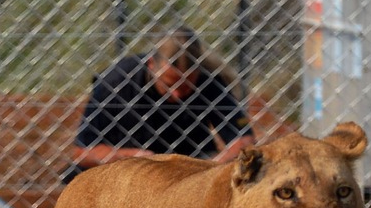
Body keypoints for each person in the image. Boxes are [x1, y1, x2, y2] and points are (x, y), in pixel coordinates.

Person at [68, 27, 256, 180]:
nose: (176, 95)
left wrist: (208, 169)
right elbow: (83, 152)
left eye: (186, 87)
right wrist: (133, 157)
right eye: (168, 84)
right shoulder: (116, 81)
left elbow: (244, 141)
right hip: (126, 174)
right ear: (151, 64)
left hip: (188, 171)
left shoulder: (210, 81)